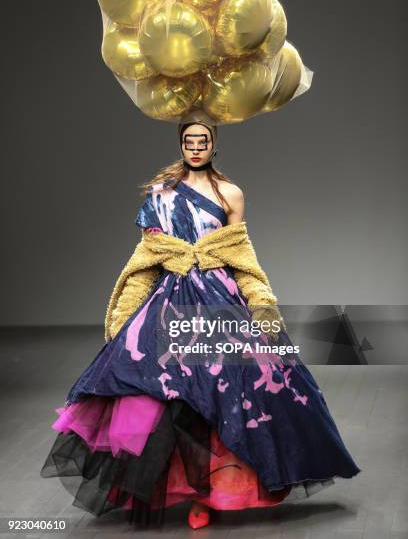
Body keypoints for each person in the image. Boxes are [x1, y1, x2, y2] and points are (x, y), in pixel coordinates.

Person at [40, 109, 361, 530]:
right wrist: (124, 314)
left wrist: (261, 305)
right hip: (169, 300)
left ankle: (212, 495)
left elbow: (241, 258)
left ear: (213, 144)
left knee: (230, 388)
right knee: (165, 394)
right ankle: (188, 489)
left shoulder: (230, 194)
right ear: (181, 144)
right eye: (188, 142)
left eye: (202, 142)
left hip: (217, 300)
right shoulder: (160, 194)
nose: (195, 148)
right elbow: (146, 260)